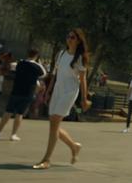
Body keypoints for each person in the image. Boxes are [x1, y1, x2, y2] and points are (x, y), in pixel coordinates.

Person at [33, 29, 90, 170]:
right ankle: (74, 146)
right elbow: (55, 74)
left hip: (70, 92)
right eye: (68, 36)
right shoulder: (62, 54)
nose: (69, 39)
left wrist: (84, 98)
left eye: (72, 37)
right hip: (58, 90)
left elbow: (83, 80)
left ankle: (46, 159)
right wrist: (48, 91)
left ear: (78, 40)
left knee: (54, 122)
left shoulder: (80, 58)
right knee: (54, 125)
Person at [0, 49, 46, 141]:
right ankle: (13, 134)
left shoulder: (19, 63)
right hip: (28, 92)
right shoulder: (38, 66)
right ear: (37, 56)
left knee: (8, 112)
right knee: (19, 114)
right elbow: (43, 74)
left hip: (16, 91)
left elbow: (9, 67)